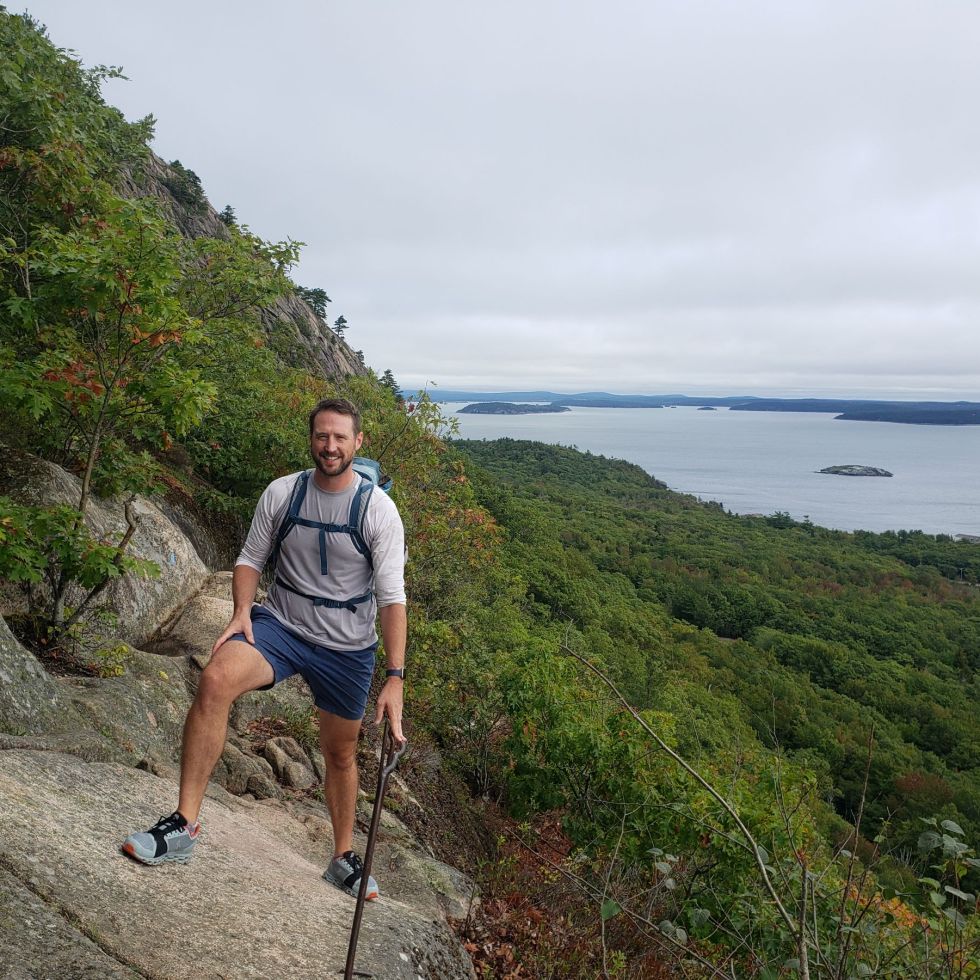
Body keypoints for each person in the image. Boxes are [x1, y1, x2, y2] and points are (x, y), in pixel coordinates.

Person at [122, 397, 407, 901]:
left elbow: (391, 598)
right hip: (283, 625)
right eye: (322, 436)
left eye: (341, 437)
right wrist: (239, 612)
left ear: (358, 442)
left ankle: (342, 858)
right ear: (311, 439)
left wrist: (395, 677)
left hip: (347, 647)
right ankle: (184, 826)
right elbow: (251, 557)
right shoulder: (283, 493)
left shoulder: (377, 510)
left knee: (339, 753)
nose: (330, 446)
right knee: (214, 680)